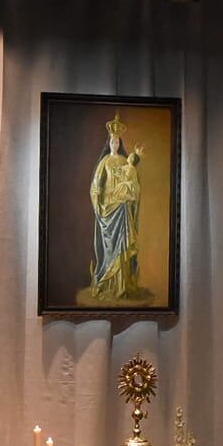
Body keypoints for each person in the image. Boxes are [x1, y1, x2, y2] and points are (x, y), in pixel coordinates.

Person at [84, 112, 144, 303]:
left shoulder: (125, 162)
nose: (115, 145)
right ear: (109, 143)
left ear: (120, 144)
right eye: (112, 142)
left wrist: (130, 189)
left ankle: (123, 286)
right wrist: (99, 204)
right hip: (108, 210)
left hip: (123, 208)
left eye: (118, 142)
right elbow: (95, 186)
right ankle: (107, 284)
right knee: (110, 248)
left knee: (123, 244)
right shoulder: (105, 162)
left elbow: (133, 183)